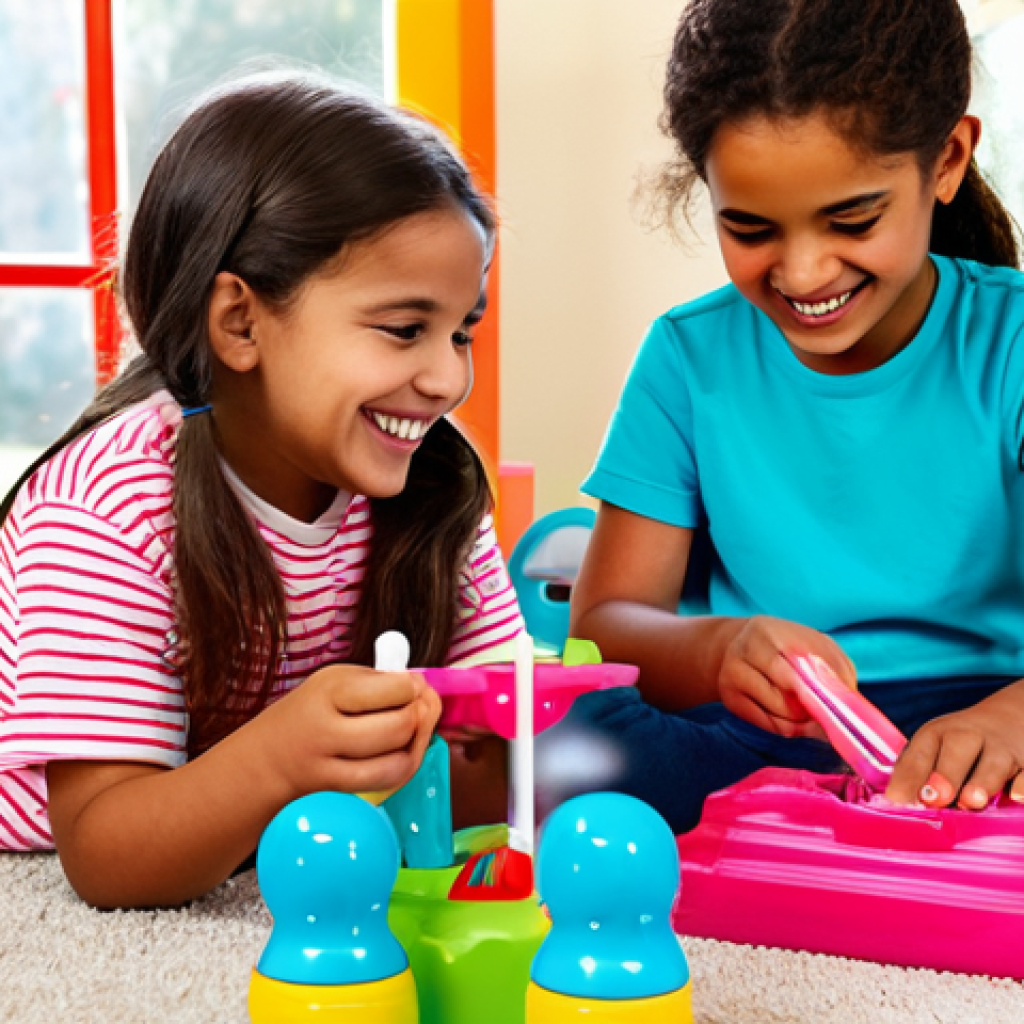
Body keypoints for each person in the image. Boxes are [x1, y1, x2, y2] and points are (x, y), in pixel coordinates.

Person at [0, 73, 523, 907]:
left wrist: (504, 741)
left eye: (462, 330)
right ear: (241, 322)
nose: (446, 377)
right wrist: (281, 759)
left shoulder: (434, 485)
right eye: (404, 330)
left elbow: (502, 751)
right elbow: (106, 856)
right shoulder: (106, 508)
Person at [565, 0, 1024, 835]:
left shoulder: (1013, 344)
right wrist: (721, 650)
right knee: (573, 743)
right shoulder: (687, 358)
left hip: (991, 717)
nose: (805, 272)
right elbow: (604, 629)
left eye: (853, 220)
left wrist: (1010, 722)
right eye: (749, 228)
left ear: (947, 160)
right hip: (775, 732)